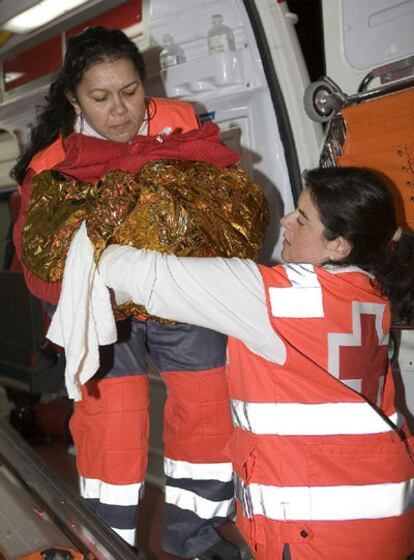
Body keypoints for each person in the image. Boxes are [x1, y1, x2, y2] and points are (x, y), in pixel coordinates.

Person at [11, 26, 249, 560]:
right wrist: (82, 298)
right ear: (74, 99)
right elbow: (37, 264)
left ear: (146, 85)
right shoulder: (51, 166)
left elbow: (222, 202)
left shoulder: (181, 122)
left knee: (209, 411)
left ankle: (199, 541)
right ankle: (106, 542)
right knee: (110, 424)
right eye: (100, 98)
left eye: (130, 92)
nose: (119, 110)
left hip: (180, 294)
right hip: (98, 305)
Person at [98, 166, 414, 560]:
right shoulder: (371, 297)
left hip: (314, 535)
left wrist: (89, 234)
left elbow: (146, 275)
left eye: (302, 218)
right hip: (381, 523)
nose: (286, 220)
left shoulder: (281, 298)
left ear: (338, 246)